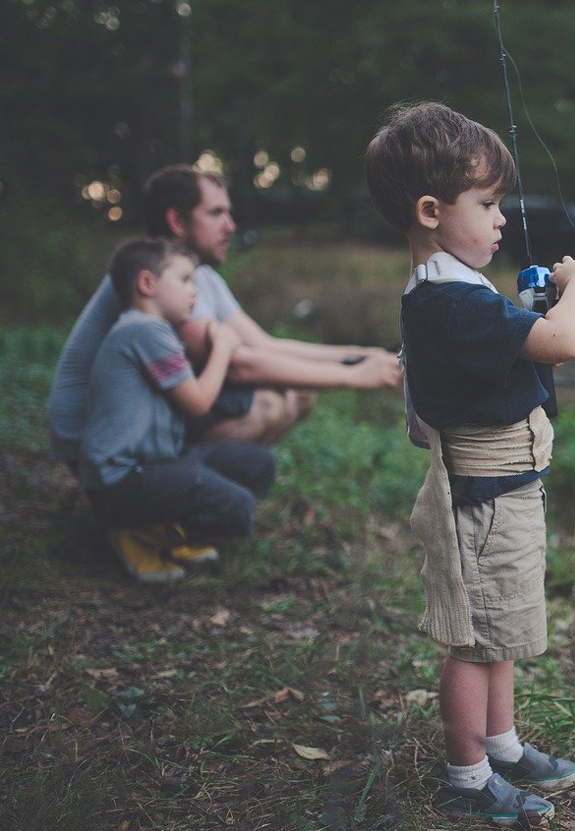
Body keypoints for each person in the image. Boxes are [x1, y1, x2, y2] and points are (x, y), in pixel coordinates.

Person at [365, 102, 575, 826]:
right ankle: (466, 776)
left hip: (507, 490)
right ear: (431, 210)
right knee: (474, 643)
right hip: (486, 500)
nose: (501, 219)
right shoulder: (448, 300)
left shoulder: (454, 290)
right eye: (488, 203)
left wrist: (527, 307)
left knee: (501, 632)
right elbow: (559, 343)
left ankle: (500, 742)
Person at [49, 165, 401, 466]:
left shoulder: (197, 276)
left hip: (141, 419)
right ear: (176, 220)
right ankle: (170, 506)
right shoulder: (159, 285)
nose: (231, 226)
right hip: (93, 440)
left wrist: (359, 355)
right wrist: (357, 378)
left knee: (298, 392)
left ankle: (202, 497)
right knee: (268, 402)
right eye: (216, 213)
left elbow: (264, 344)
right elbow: (239, 364)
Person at [79, 237, 276, 583]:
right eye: (185, 280)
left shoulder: (150, 330)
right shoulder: (145, 329)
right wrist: (224, 347)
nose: (194, 292)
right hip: (121, 482)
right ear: (147, 284)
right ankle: (137, 532)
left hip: (158, 463)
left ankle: (164, 526)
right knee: (237, 506)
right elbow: (199, 402)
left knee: (260, 464)